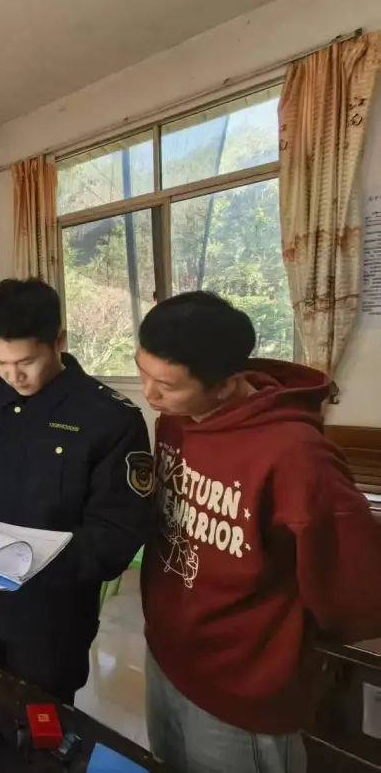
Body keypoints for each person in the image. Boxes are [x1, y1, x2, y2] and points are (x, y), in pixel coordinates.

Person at [136, 291, 381, 773]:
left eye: (165, 384)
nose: (149, 394)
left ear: (226, 385)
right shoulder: (177, 422)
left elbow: (353, 588)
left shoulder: (296, 455)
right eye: (141, 371)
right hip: (167, 652)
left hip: (239, 686)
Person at [0, 278, 152, 702]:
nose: (12, 376)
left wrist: (27, 564)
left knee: (42, 735)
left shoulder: (110, 419)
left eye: (25, 361)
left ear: (58, 340)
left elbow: (116, 535)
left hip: (49, 617)